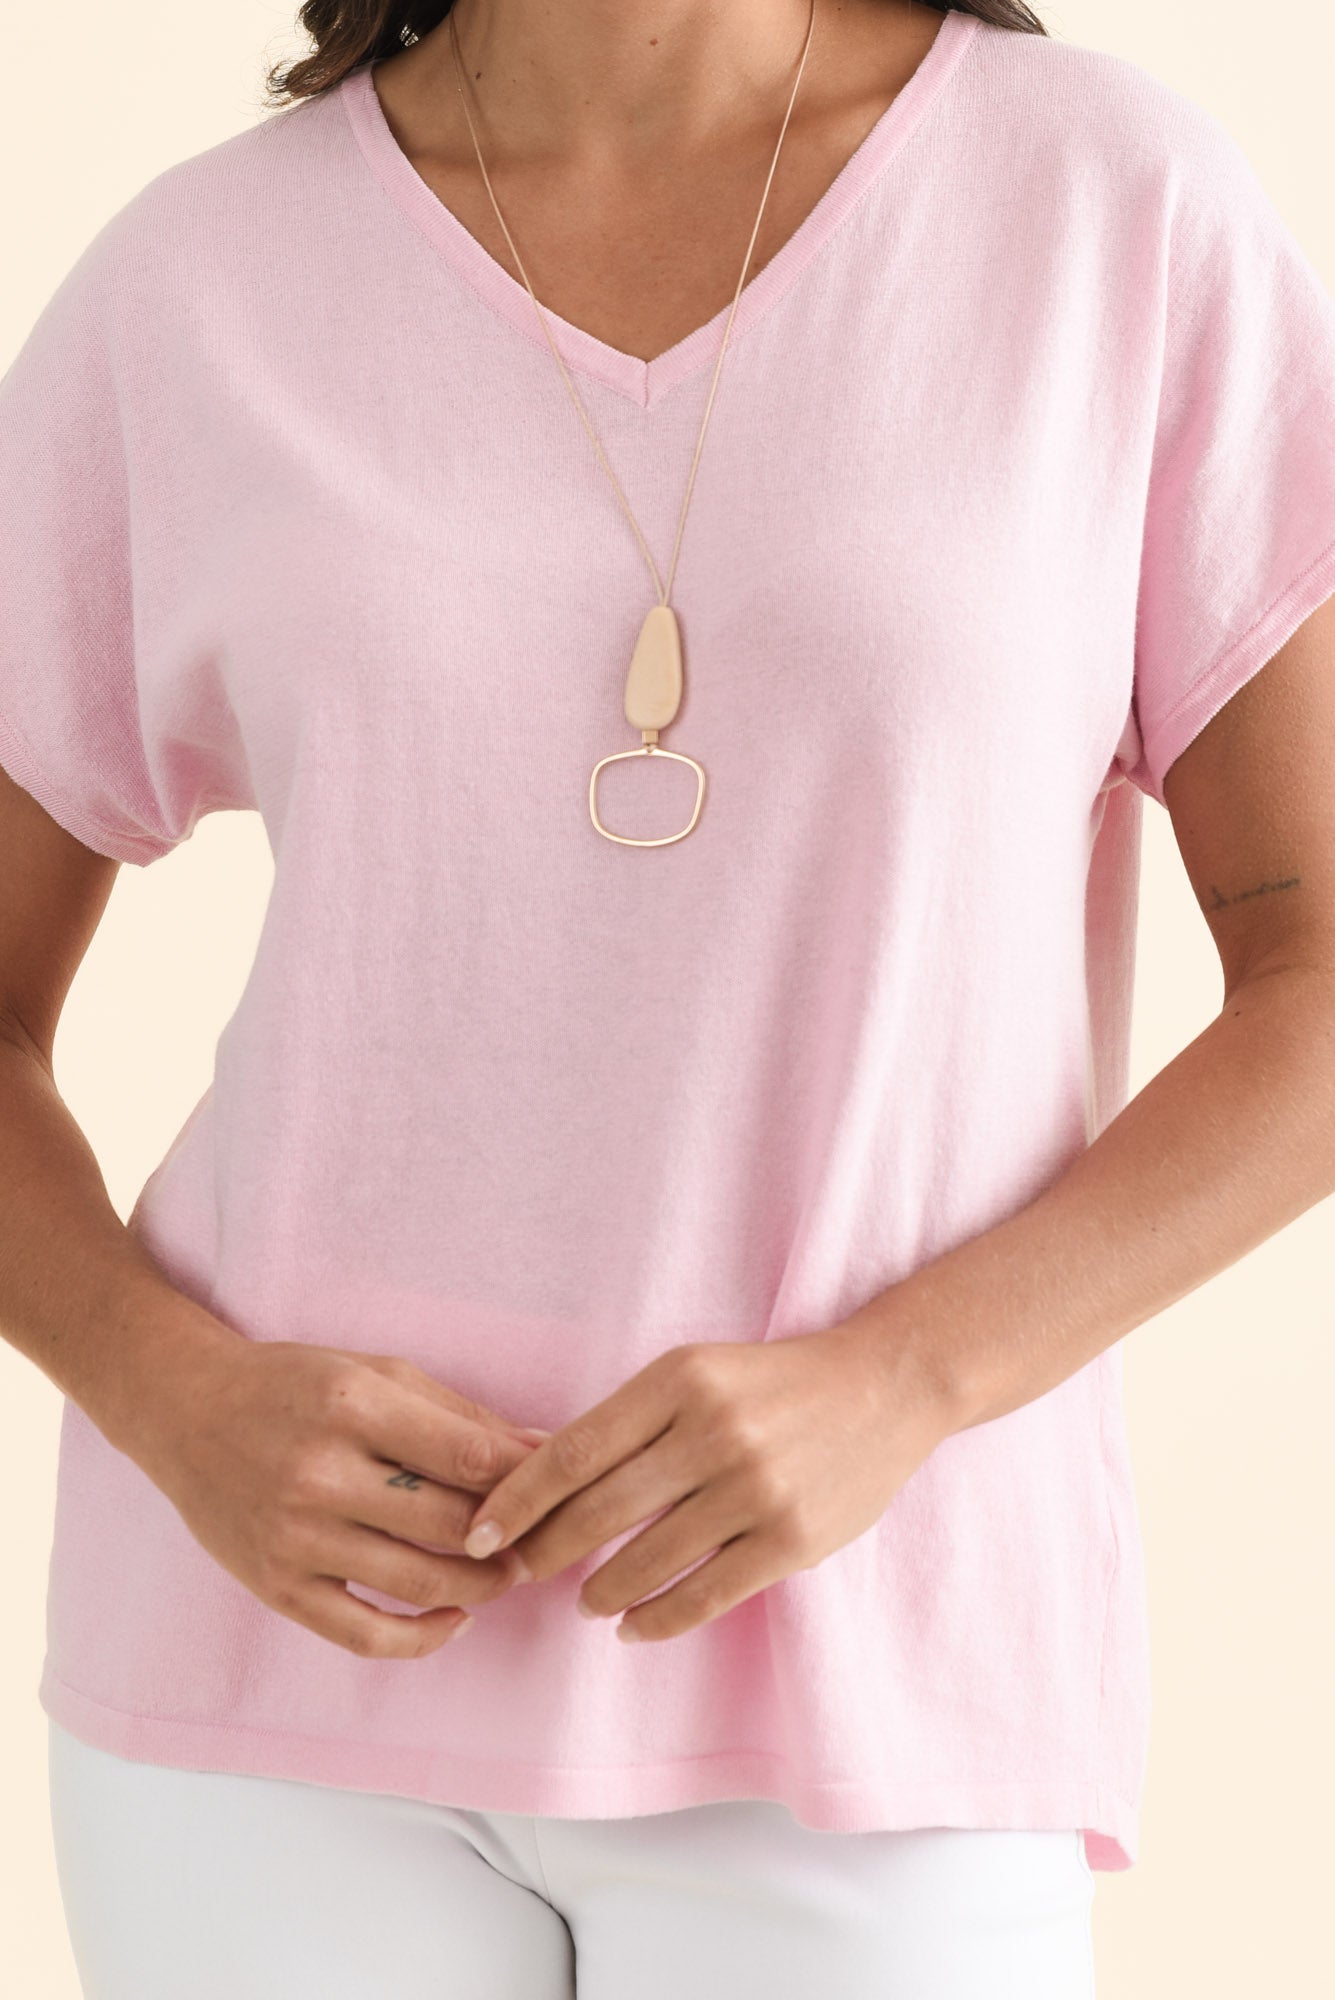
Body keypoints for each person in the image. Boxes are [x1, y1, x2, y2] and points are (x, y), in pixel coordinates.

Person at [3, 0, 1335, 1992]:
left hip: (874, 1668)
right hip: (266, 1668)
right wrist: (164, 1391)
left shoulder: (1105, 213)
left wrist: (907, 1377)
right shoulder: (195, 283)